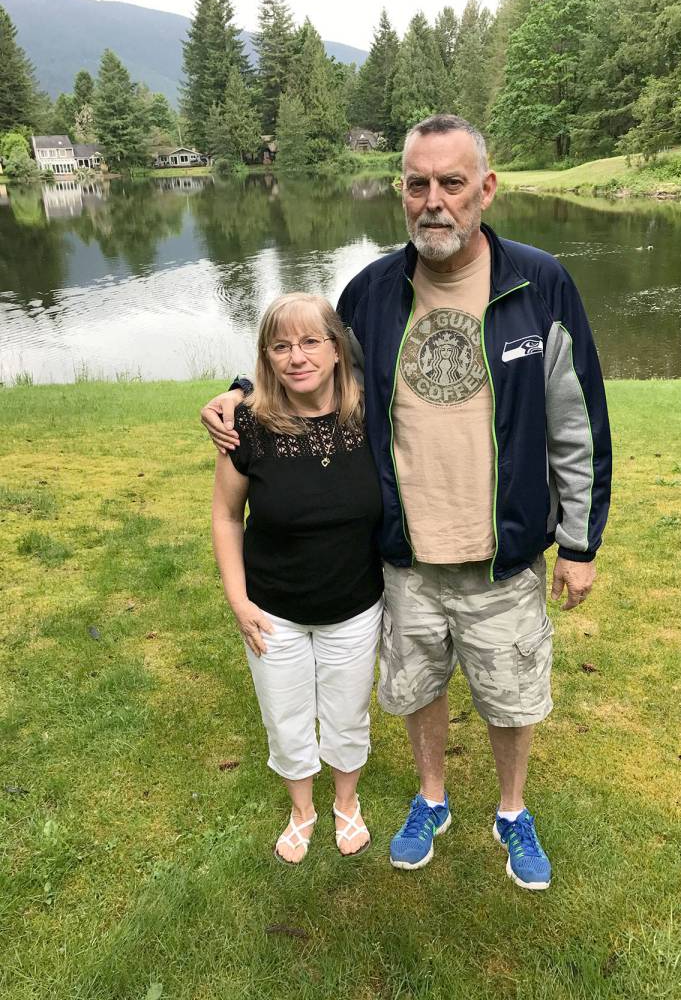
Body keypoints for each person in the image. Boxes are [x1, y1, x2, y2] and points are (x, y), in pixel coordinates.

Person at [203, 115, 612, 889]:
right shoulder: (371, 293)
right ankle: (431, 798)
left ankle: (513, 811)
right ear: (401, 193)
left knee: (510, 696)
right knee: (417, 689)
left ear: (485, 189)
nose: (434, 201)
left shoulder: (541, 283)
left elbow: (578, 422)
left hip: (504, 554)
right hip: (405, 559)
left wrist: (582, 544)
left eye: (451, 183)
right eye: (417, 184)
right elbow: (307, 362)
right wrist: (240, 391)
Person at [211, 292, 384, 864]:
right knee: (285, 717)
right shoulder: (246, 425)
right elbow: (226, 517)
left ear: (339, 350)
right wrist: (238, 601)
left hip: (356, 604)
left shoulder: (370, 413)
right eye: (280, 345)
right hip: (272, 609)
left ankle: (346, 803)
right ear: (266, 357)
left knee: (347, 713)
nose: (296, 356)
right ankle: (302, 810)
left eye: (311, 341)